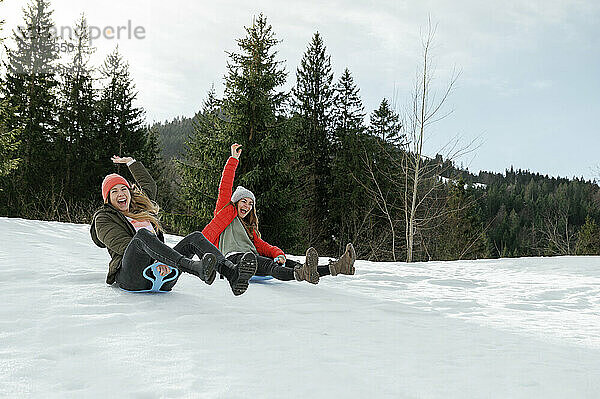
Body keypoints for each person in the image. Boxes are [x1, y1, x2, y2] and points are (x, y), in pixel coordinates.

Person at [90, 155, 257, 295]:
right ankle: (194, 268)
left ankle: (231, 273)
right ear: (108, 199)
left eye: (123, 189)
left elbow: (149, 185)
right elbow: (124, 246)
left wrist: (131, 163)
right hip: (131, 278)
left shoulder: (140, 209)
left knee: (195, 238)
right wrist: (158, 260)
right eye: (114, 191)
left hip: (164, 276)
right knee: (142, 236)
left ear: (129, 192)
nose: (121, 194)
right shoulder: (104, 218)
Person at [201, 144, 356, 285]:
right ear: (235, 202)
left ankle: (338, 267)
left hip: (252, 258)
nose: (247, 206)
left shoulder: (249, 227)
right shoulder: (225, 215)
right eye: (244, 201)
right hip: (232, 259)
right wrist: (233, 160)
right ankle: (301, 274)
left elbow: (262, 246)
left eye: (250, 203)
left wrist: (279, 253)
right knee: (269, 265)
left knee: (290, 263)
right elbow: (225, 187)